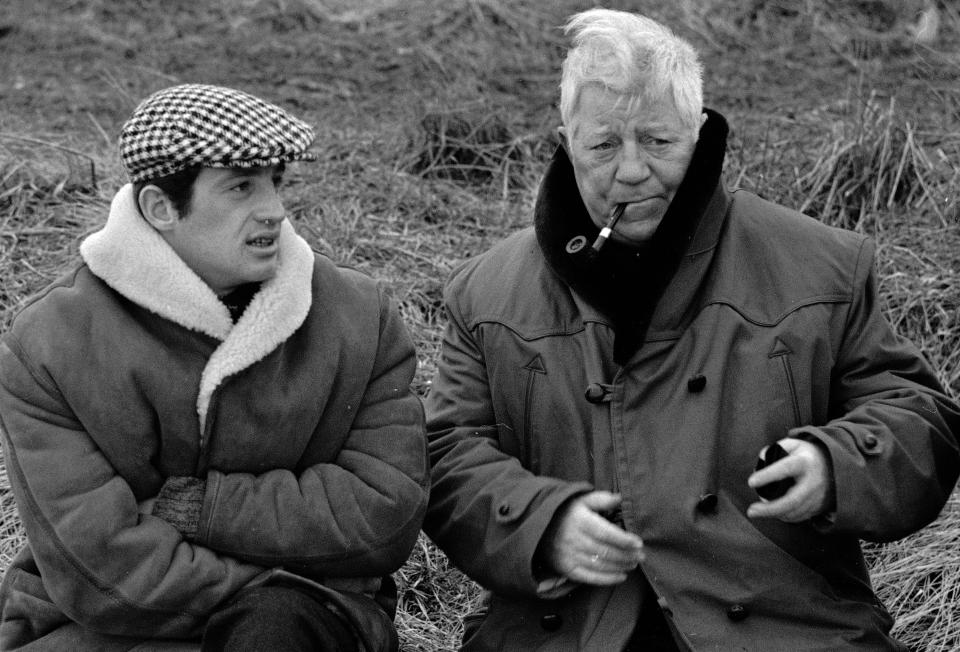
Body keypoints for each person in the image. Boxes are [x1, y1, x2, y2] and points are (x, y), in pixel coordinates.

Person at [422, 8, 960, 651]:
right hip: (564, 632)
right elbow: (446, 453)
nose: (631, 171)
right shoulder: (485, 293)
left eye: (657, 141)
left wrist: (836, 463)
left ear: (699, 133)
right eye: (602, 146)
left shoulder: (824, 266)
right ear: (565, 142)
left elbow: (918, 415)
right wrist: (539, 523)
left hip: (787, 626)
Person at [0, 84, 428, 651]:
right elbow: (104, 571)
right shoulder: (48, 345)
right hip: (101, 628)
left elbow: (385, 513)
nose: (274, 210)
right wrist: (298, 560)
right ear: (160, 209)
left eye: (276, 182)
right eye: (240, 188)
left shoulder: (359, 315)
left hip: (304, 618)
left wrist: (196, 510)